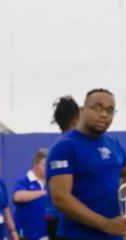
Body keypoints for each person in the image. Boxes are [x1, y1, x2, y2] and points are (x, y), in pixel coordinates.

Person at [47, 88, 126, 240]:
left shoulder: (113, 144)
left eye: (110, 110)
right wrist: (106, 224)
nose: (104, 114)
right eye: (97, 108)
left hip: (114, 236)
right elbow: (60, 198)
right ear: (82, 110)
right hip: (76, 236)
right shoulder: (65, 146)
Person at [46, 97, 79, 240]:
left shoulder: (61, 147)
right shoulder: (67, 148)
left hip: (55, 217)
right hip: (65, 219)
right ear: (75, 122)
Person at [12, 149, 49, 240]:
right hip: (27, 234)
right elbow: (17, 197)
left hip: (48, 233)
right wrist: (43, 192)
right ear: (35, 164)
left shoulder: (51, 181)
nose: (47, 168)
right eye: (44, 165)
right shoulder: (24, 181)